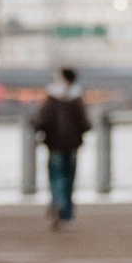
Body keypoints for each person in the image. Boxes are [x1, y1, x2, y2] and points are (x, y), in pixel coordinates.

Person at [32, 68, 90, 229]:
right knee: (69, 178)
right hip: (72, 144)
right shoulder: (77, 98)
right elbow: (85, 123)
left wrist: (38, 128)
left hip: (54, 143)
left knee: (56, 176)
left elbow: (43, 120)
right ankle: (67, 212)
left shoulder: (52, 98)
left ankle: (57, 202)